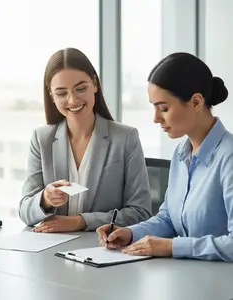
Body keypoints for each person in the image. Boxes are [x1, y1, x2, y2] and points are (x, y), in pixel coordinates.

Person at [97, 52, 233, 261]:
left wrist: (172, 246)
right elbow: (169, 219)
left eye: (164, 108)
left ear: (196, 102)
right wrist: (131, 233)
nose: (156, 118)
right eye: (154, 107)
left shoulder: (229, 157)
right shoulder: (181, 153)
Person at [18, 47, 152, 232]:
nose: (72, 100)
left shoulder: (125, 138)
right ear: (51, 95)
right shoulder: (42, 139)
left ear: (95, 85)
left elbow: (140, 213)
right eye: (61, 93)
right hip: (51, 248)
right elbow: (25, 210)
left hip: (102, 249)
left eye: (81, 89)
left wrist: (80, 221)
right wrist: (45, 200)